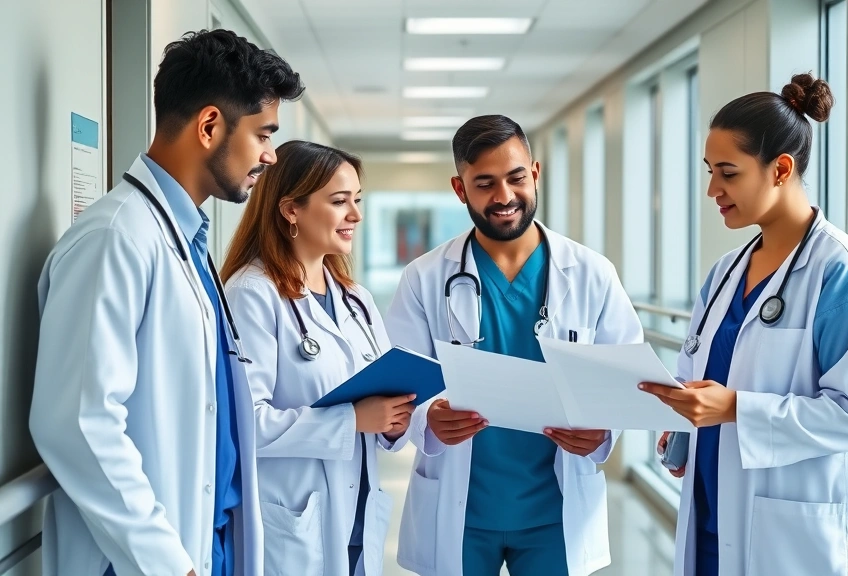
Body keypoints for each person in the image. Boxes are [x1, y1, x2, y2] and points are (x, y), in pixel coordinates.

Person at [29, 30, 303, 576]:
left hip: (202, 541)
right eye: (263, 135)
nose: (271, 156)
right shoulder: (116, 237)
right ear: (209, 126)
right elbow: (79, 424)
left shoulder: (185, 240)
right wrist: (169, 564)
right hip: (144, 560)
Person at [641, 74, 848, 576]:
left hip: (791, 540)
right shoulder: (724, 273)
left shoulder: (840, 274)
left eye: (728, 173)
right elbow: (703, 378)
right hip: (714, 521)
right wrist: (680, 429)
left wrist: (737, 408)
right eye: (709, 171)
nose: (713, 189)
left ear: (781, 169)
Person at [384, 115, 644, 576]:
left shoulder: (590, 273)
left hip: (555, 510)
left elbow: (627, 377)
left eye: (516, 177)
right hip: (461, 509)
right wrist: (428, 419)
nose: (504, 196)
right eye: (484, 183)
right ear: (460, 189)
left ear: (536, 173)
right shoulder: (424, 277)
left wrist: (603, 431)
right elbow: (400, 384)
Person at [221, 141, 415, 576]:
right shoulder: (252, 294)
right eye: (339, 201)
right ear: (292, 209)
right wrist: (353, 420)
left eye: (357, 201)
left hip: (356, 521)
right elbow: (243, 423)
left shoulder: (356, 300)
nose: (356, 216)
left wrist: (396, 420)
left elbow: (383, 405)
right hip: (294, 525)